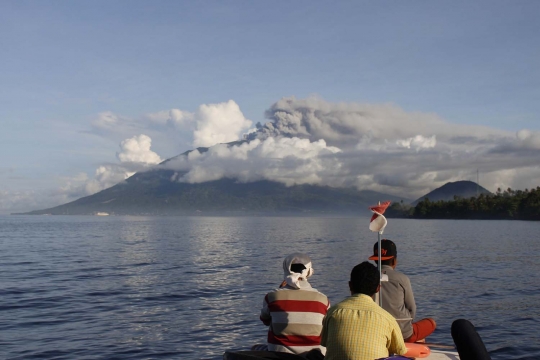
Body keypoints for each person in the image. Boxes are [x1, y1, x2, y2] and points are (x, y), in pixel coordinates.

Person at [321, 261, 407, 360]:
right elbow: (400, 351)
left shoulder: (333, 312)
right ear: (378, 288)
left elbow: (325, 343)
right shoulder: (388, 319)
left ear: (350, 285)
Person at [259, 253, 330, 355]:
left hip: (280, 355)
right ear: (309, 271)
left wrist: (280, 290)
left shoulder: (272, 297)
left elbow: (265, 320)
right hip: (315, 355)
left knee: (256, 348)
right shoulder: (323, 300)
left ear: (286, 269)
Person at [368, 239, 437, 342]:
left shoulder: (367, 278)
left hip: (376, 331)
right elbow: (412, 309)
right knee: (431, 323)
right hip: (403, 333)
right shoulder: (402, 279)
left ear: (375, 260)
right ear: (394, 260)